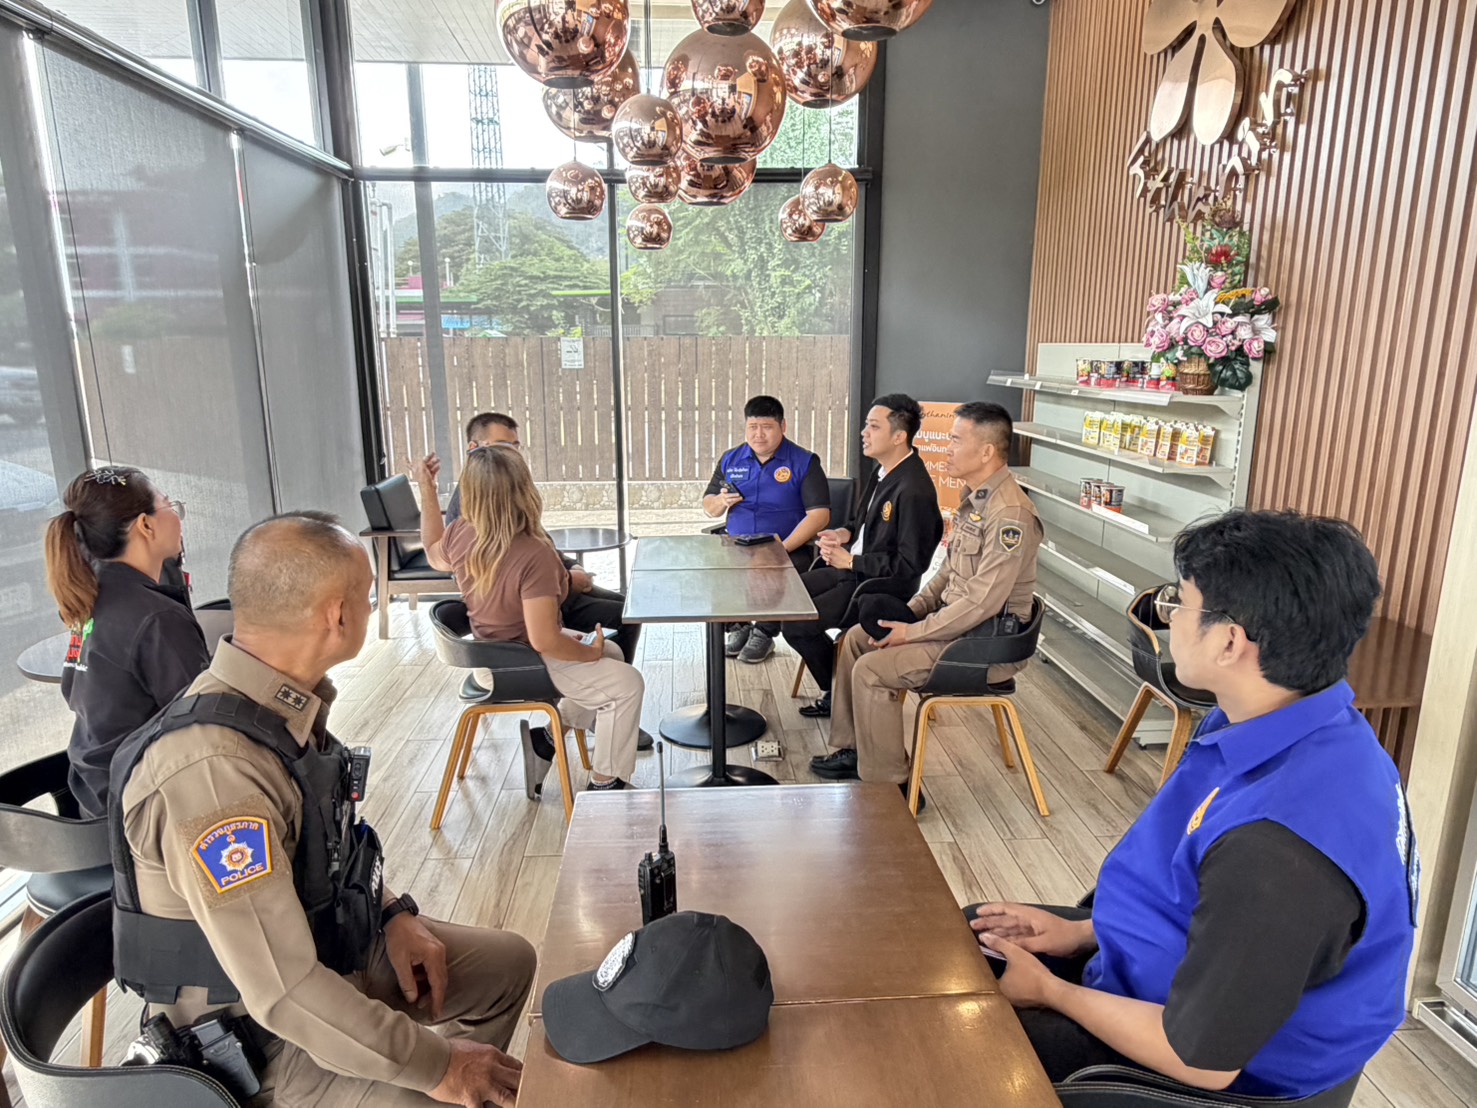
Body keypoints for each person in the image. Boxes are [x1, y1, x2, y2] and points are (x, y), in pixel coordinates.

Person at [968, 511, 1417, 1103]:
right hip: (1176, 985)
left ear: (1230, 641)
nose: (1169, 618)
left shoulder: (1280, 850)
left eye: (1179, 603)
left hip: (1204, 1074)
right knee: (967, 936)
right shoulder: (1275, 721)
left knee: (953, 1040)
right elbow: (1188, 893)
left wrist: (1053, 993)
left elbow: (1201, 1060)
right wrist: (1084, 932)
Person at [110, 512, 535, 1107]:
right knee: (433, 1092)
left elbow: (330, 843)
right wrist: (439, 1067)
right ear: (338, 616)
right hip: (258, 1041)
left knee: (507, 965)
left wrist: (392, 913)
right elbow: (284, 992)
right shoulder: (214, 773)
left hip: (330, 950)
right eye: (366, 596)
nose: (370, 606)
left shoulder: (279, 709)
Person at [810, 402, 1041, 809]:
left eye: (956, 440)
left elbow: (981, 603)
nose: (946, 448)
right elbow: (945, 576)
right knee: (856, 640)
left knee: (872, 671)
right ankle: (855, 750)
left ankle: (894, 792)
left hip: (983, 643)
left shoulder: (1010, 514)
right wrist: (911, 614)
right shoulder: (975, 502)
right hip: (954, 627)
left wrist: (913, 633)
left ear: (986, 451)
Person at [418, 446, 644, 792]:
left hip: (488, 658)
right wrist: (589, 652)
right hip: (521, 661)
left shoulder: (461, 532)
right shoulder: (533, 552)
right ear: (524, 489)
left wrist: (427, 490)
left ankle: (546, 741)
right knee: (627, 684)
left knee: (613, 654)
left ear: (470, 493)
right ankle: (606, 786)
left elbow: (432, 549)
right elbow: (545, 640)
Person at [44, 466, 209, 818]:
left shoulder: (90, 595)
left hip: (95, 795)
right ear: (145, 525)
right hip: (142, 809)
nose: (178, 517)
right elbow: (203, 722)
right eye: (169, 505)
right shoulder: (156, 617)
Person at [784, 395, 942, 718]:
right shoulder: (882, 472)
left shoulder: (915, 489)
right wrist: (843, 534)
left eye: (873, 427)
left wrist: (851, 561)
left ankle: (838, 692)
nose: (864, 433)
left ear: (899, 436)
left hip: (876, 586)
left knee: (796, 624)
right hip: (852, 572)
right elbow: (861, 523)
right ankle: (841, 684)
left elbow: (910, 565)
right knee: (788, 598)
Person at [446, 411, 642, 670]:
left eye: (515, 446)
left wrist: (570, 566)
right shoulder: (472, 507)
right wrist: (568, 581)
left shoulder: (507, 491)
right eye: (503, 445)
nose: (512, 454)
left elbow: (539, 543)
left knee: (628, 608)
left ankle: (605, 674)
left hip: (552, 586)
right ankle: (602, 676)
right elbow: (510, 573)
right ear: (474, 449)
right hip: (536, 606)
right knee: (624, 618)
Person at [701, 395, 830, 663]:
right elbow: (709, 505)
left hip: (787, 546)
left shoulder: (804, 462)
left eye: (767, 427)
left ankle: (764, 631)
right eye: (753, 427)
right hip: (737, 544)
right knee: (710, 569)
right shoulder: (731, 459)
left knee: (768, 567)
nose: (758, 434)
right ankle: (740, 626)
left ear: (783, 426)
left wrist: (782, 547)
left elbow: (819, 515)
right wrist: (721, 502)